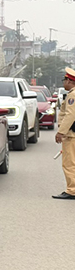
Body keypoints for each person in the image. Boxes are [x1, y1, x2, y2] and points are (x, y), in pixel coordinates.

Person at [53, 67, 75, 199]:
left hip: (71, 135)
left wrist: (61, 132)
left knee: (69, 163)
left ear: (70, 81)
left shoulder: (72, 95)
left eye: (64, 80)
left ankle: (72, 190)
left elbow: (70, 115)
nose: (63, 83)